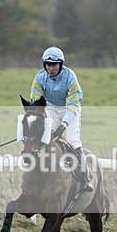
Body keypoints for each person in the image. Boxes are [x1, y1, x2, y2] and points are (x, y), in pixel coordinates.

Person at [29, 46, 94, 192]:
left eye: (54, 65)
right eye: (48, 65)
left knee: (73, 140)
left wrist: (62, 126)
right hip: (51, 107)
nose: (51, 68)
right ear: (44, 65)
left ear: (60, 65)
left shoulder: (70, 77)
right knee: (45, 138)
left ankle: (86, 177)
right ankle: (38, 174)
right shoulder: (39, 78)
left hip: (69, 108)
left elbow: (72, 106)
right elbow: (35, 104)